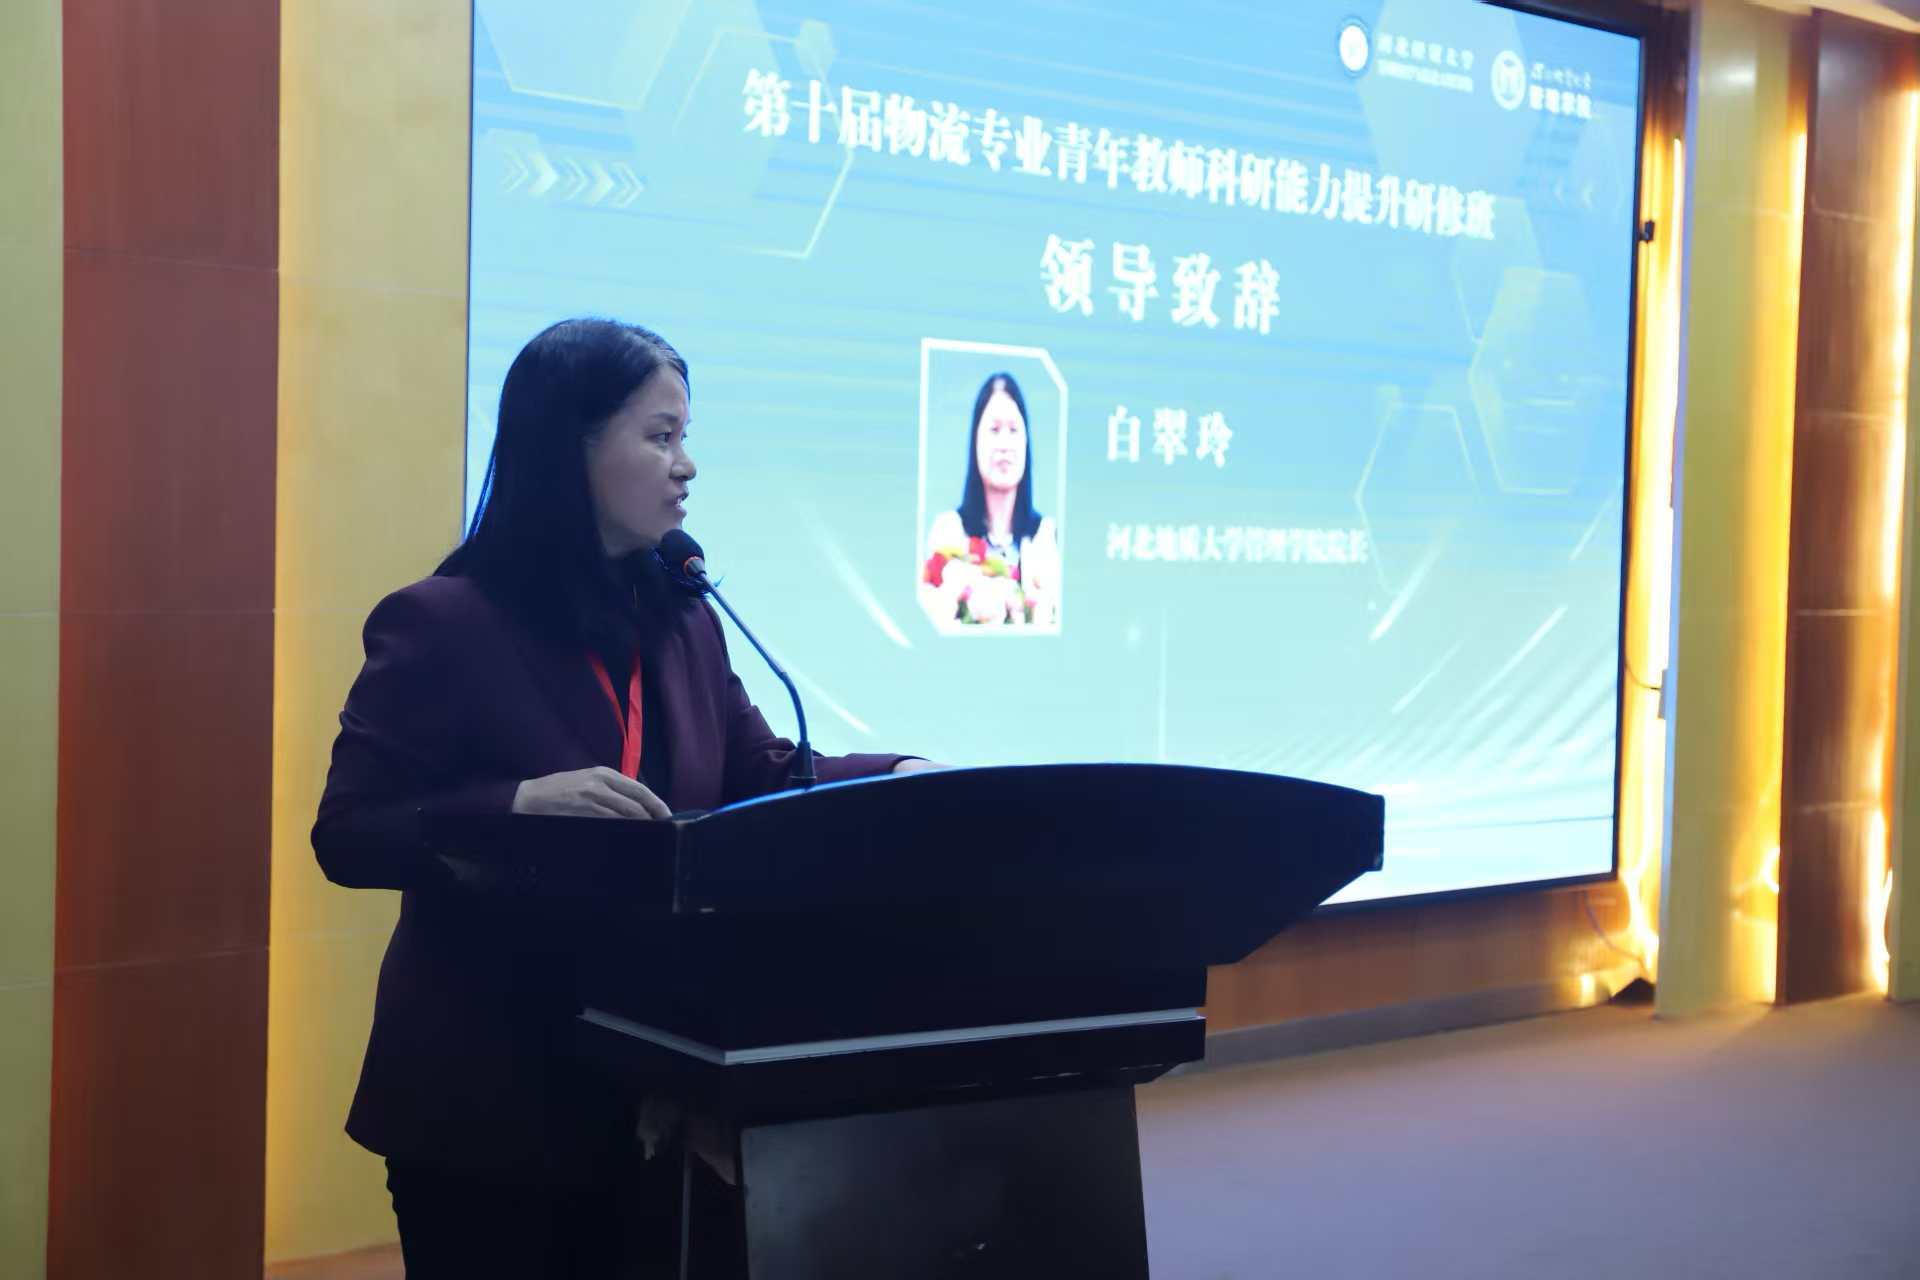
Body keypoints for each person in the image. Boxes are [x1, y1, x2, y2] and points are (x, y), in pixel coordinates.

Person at [312, 318, 932, 1276]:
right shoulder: (443, 622)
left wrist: (895, 777)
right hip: (489, 1103)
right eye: (661, 436)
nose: (688, 465)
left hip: (656, 1081)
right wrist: (515, 804)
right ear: (572, 446)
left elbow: (761, 773)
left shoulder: (681, 617)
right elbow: (349, 834)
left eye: (686, 436)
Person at [918, 372, 1061, 630]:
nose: (1004, 445)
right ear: (976, 440)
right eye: (994, 430)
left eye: (1014, 430)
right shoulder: (949, 530)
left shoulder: (1046, 537)